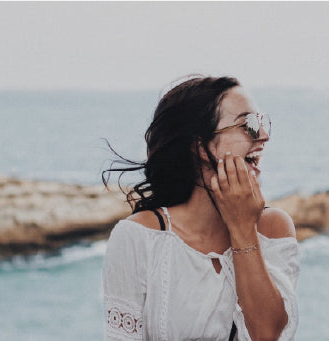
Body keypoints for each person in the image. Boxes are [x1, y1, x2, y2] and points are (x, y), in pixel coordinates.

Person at [102, 76, 299, 340]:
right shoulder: (138, 238)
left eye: (261, 122)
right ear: (200, 147)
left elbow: (267, 334)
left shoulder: (273, 228)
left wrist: (243, 228)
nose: (263, 136)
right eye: (248, 125)